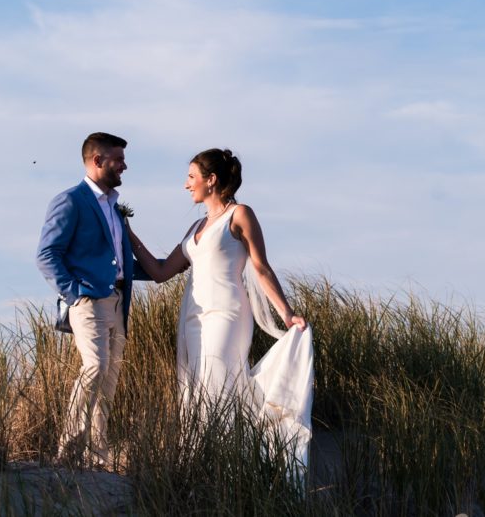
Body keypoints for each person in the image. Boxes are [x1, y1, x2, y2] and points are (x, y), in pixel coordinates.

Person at [127, 148, 314, 474]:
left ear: (211, 180)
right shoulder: (196, 226)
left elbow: (261, 268)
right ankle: (204, 467)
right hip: (192, 319)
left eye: (191, 177)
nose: (186, 185)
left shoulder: (240, 215)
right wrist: (127, 234)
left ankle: (232, 467)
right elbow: (160, 272)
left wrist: (286, 313)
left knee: (218, 384)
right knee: (195, 391)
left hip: (227, 313)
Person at [36, 132, 151, 469]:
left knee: (110, 376)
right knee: (95, 366)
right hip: (86, 300)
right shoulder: (71, 200)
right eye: (118, 160)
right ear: (97, 161)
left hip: (117, 300)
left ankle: (96, 455)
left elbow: (119, 260)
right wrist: (74, 294)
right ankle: (68, 449)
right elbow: (47, 254)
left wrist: (174, 266)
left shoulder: (115, 209)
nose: (124, 166)